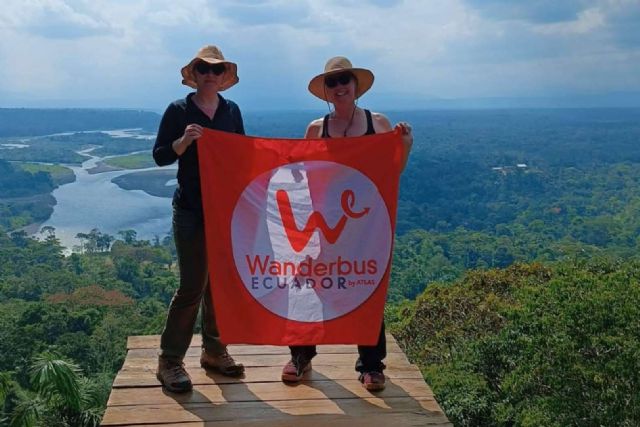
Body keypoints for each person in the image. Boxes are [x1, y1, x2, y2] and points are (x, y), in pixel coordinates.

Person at [281, 56, 413, 391]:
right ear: (326, 90)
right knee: (309, 287)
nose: (340, 87)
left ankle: (371, 365)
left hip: (365, 223)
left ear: (355, 86)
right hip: (323, 223)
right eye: (333, 82)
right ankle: (300, 354)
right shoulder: (316, 128)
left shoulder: (377, 123)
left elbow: (392, 172)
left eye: (345, 80)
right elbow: (305, 176)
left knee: (365, 287)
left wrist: (405, 145)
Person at [153, 45, 245, 393]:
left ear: (224, 77)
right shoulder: (178, 110)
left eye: (216, 70)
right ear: (194, 74)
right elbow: (161, 156)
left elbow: (241, 154)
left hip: (223, 209)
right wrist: (183, 142)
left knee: (219, 285)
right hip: (191, 209)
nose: (210, 74)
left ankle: (214, 351)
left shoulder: (231, 111)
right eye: (204, 69)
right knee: (192, 287)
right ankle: (170, 361)